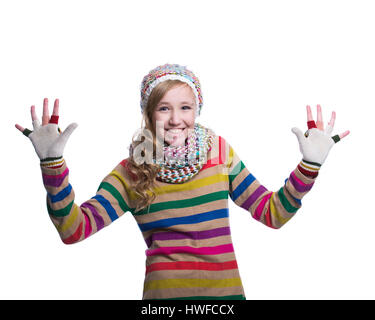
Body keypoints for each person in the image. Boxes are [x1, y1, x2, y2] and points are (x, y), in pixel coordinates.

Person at [15, 63, 350, 300]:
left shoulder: (220, 153)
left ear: (197, 110)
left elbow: (272, 213)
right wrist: (52, 165)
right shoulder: (131, 172)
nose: (176, 119)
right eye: (164, 108)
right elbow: (74, 230)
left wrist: (309, 165)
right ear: (148, 114)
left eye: (185, 107)